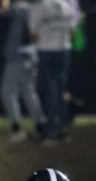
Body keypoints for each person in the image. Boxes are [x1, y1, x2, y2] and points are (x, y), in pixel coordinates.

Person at [30, 0, 78, 144]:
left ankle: (52, 131)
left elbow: (33, 34)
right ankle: (63, 128)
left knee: (49, 91)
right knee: (60, 89)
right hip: (64, 50)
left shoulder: (39, 7)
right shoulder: (65, 5)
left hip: (46, 51)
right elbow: (72, 30)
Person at [0, 0, 44, 143]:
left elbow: (3, 10)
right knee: (28, 92)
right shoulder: (34, 9)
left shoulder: (21, 8)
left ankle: (16, 128)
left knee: (7, 92)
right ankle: (40, 124)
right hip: (30, 56)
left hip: (17, 56)